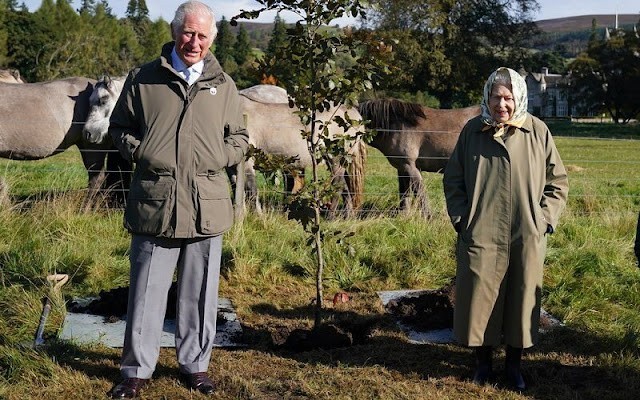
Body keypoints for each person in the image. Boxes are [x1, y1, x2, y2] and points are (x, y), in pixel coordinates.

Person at [107, 1, 248, 398]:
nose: (194, 42)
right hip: (157, 201)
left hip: (207, 204)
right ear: (174, 32)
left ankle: (195, 366)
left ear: (211, 39)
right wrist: (143, 151)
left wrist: (219, 157)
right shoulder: (144, 79)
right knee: (146, 290)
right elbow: (119, 128)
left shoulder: (224, 84)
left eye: (203, 35)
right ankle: (135, 371)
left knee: (201, 292)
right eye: (188, 33)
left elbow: (239, 138)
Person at [443, 67, 569, 391]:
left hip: (525, 231)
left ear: (519, 98)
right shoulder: (473, 131)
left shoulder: (538, 132)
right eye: (497, 97)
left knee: (522, 299)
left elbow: (558, 183)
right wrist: (461, 219)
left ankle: (514, 367)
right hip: (481, 231)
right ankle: (482, 365)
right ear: (487, 97)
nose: (502, 104)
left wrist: (544, 220)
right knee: (479, 299)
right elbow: (453, 180)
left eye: (509, 97)